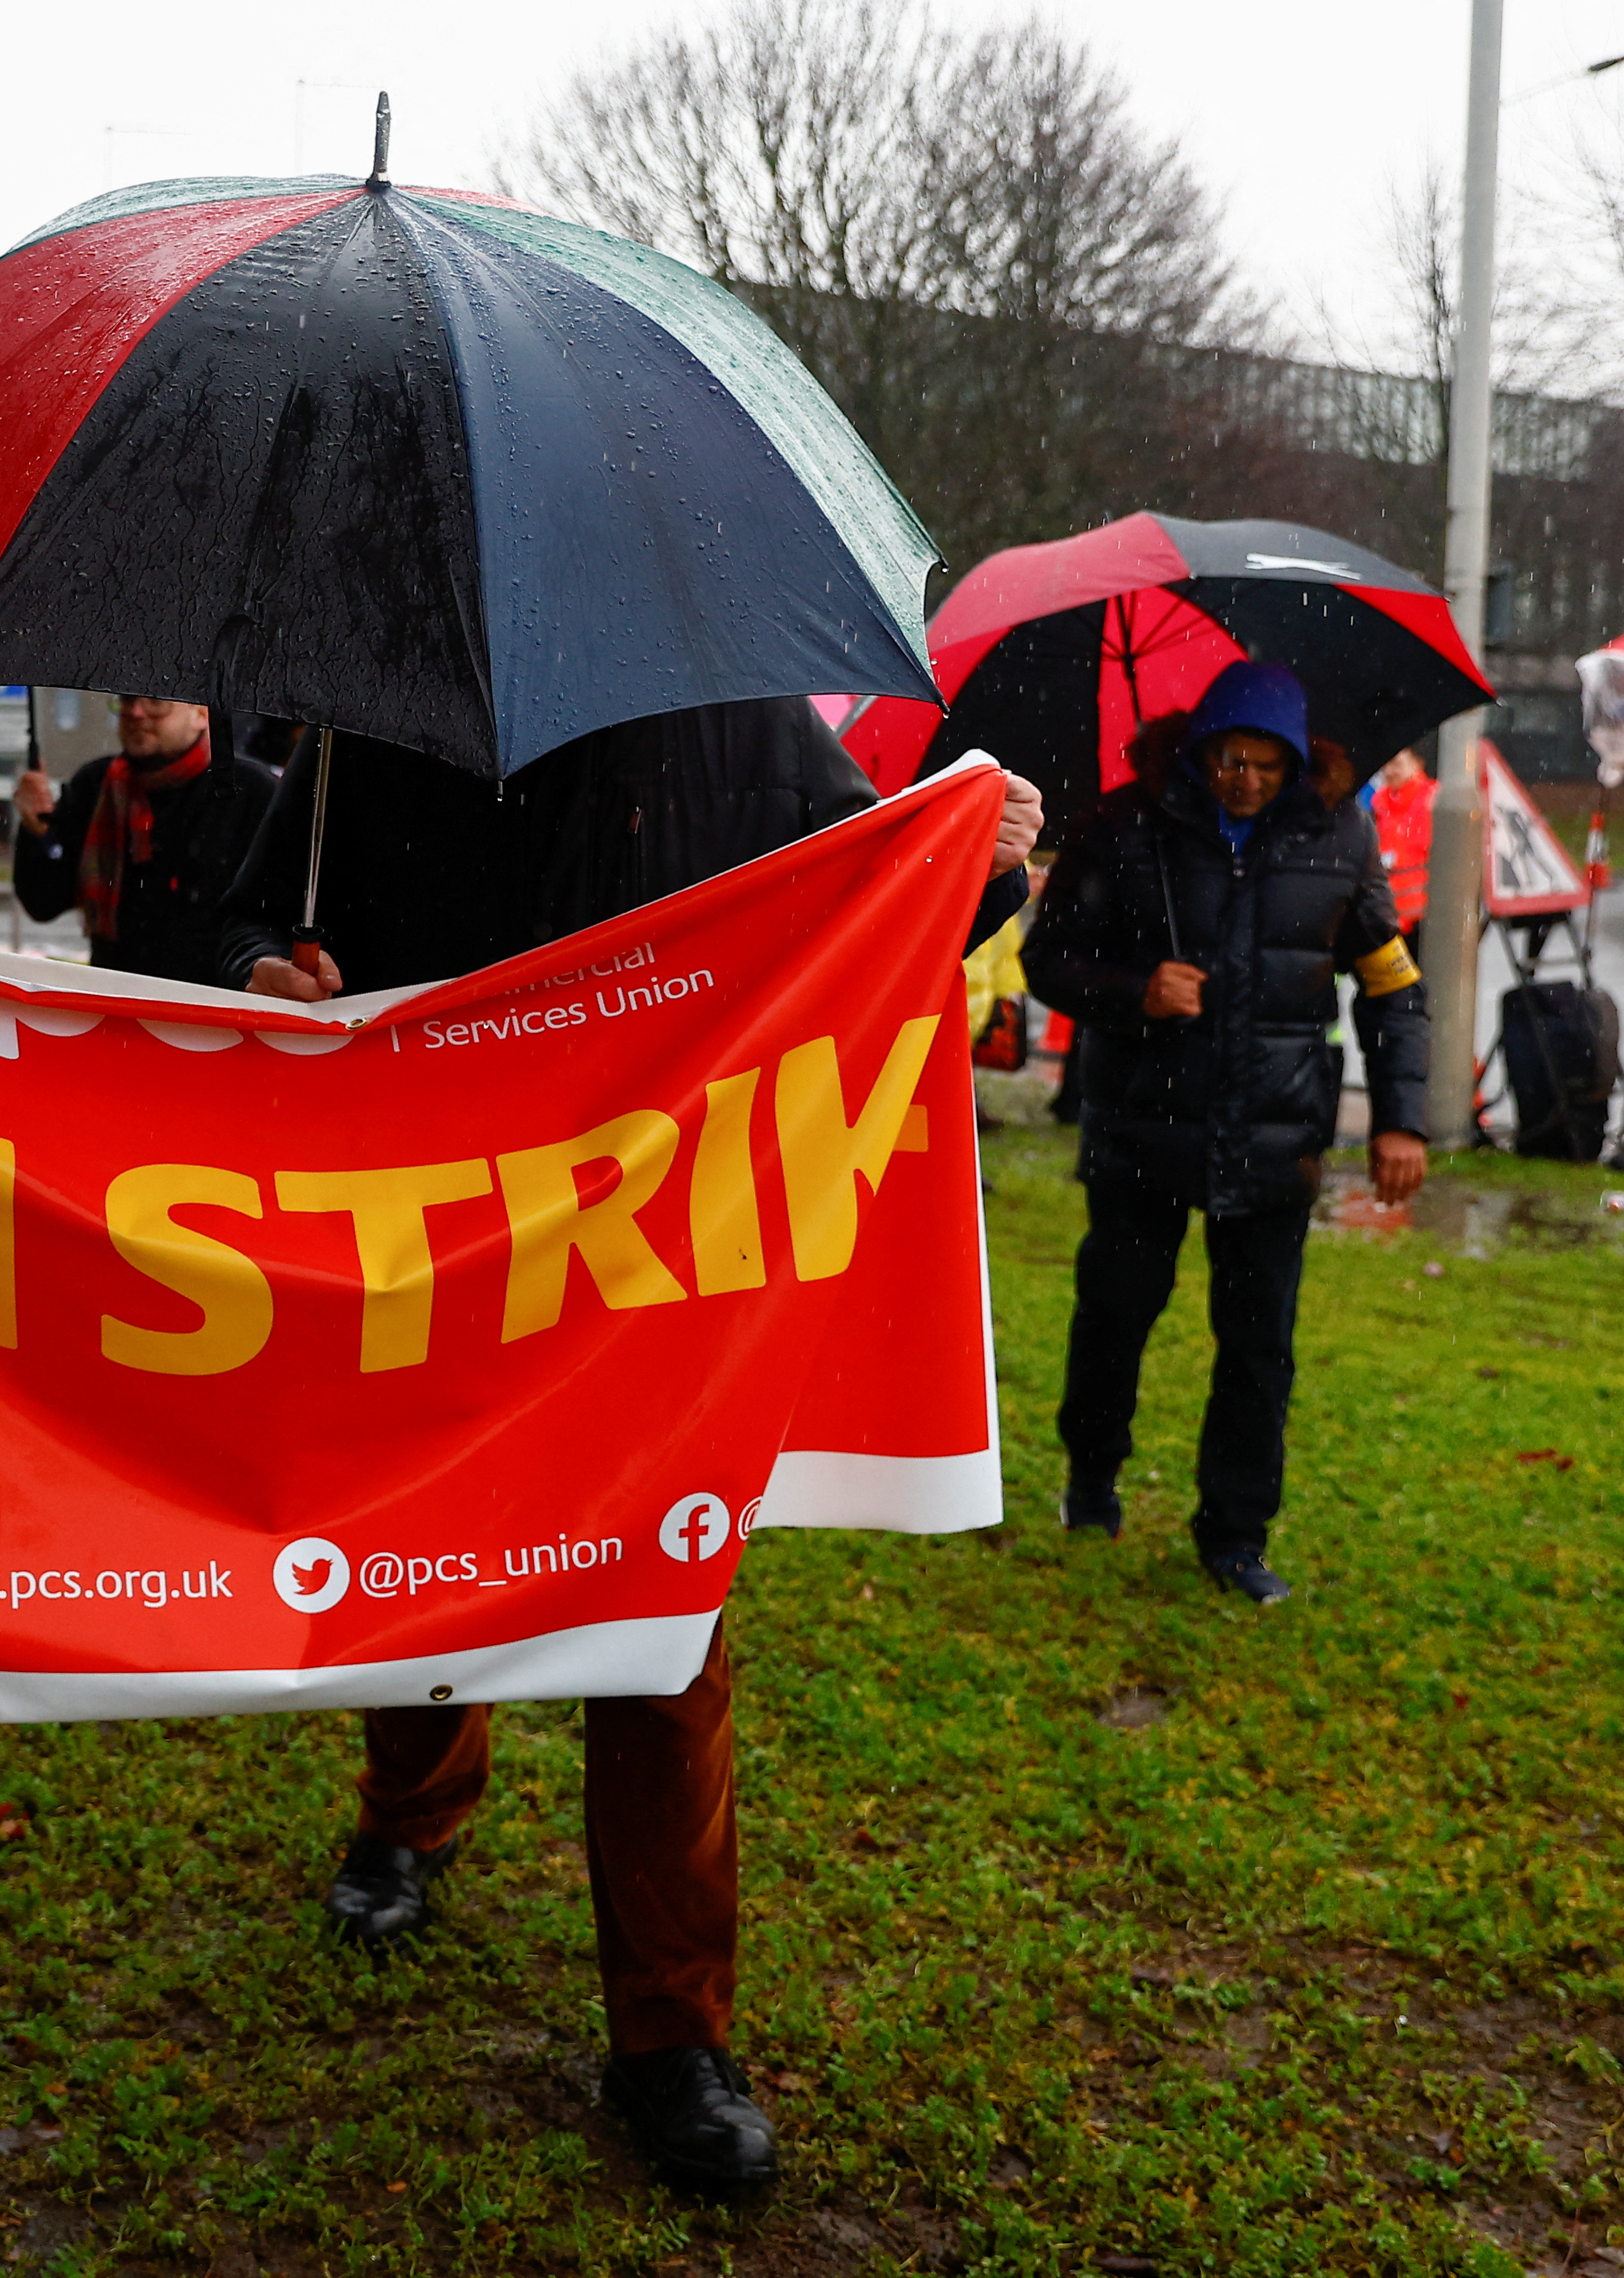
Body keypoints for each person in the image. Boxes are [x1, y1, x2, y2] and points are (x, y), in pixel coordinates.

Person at [225, 701, 1043, 2202]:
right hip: (428, 1237)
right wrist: (265, 970)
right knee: (422, 1564)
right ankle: (409, 1818)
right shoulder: (368, 725)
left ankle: (673, 2035)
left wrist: (978, 866)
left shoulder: (743, 719)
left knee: (663, 1632)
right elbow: (244, 927)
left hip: (650, 1270)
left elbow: (870, 908)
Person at [1021, 659, 1430, 1604]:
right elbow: (1049, 958)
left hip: (1275, 1138)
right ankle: (1092, 1477)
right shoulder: (1120, 828)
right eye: (1226, 758)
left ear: (1295, 764)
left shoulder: (1340, 835)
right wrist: (1134, 992)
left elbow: (1390, 987)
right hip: (1140, 1130)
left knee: (1258, 1347)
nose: (1242, 777)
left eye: (1263, 762)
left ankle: (1236, 1532)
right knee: (1114, 1315)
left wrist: (1400, 1118)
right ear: (1198, 749)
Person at [10, 694, 280, 983]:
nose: (136, 712)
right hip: (117, 1000)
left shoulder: (250, 792)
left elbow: (273, 918)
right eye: (127, 700)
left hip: (216, 1004)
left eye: (156, 701)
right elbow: (43, 902)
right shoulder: (96, 786)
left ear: (201, 714)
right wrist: (38, 831)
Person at [1365, 747, 1435, 952]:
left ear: (1417, 764)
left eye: (1396, 763)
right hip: (1388, 919)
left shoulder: (1433, 801)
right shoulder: (1379, 805)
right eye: (1385, 764)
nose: (1389, 771)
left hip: (1423, 921)